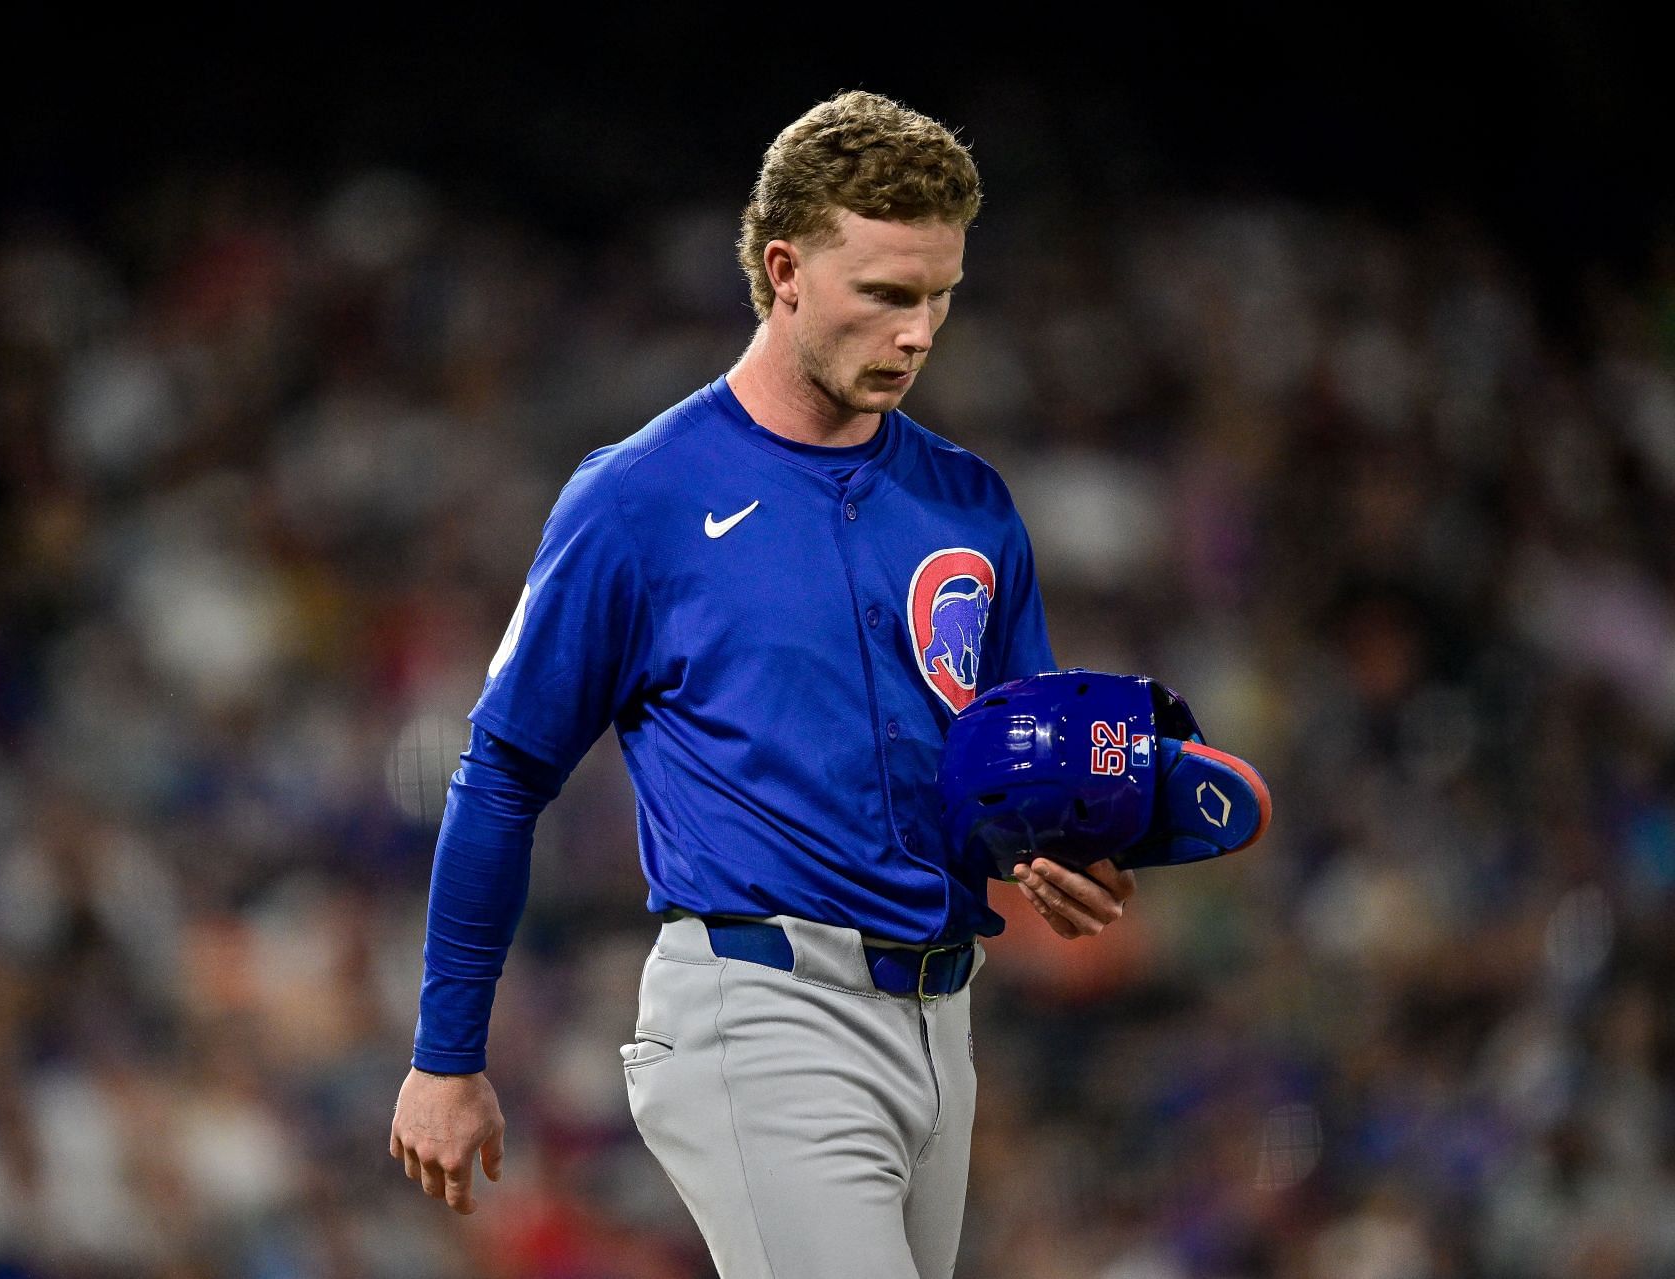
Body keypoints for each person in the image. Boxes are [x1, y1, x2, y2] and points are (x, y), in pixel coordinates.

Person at [388, 90, 1138, 1278]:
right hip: (764, 1008)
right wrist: (446, 1052)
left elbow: (1009, 762)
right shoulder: (641, 499)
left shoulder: (970, 502)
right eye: (886, 292)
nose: (919, 330)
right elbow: (503, 771)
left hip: (944, 1022)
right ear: (784, 269)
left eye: (939, 294)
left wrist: (1063, 839)